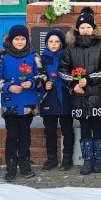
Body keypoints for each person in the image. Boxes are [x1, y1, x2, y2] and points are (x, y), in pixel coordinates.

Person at [58, 7, 101, 175]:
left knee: (97, 126)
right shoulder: (70, 48)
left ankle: (99, 160)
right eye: (82, 27)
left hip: (97, 93)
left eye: (88, 27)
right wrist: (73, 84)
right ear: (77, 29)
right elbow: (62, 69)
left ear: (93, 28)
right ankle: (87, 160)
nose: (85, 30)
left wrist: (89, 79)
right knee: (84, 127)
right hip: (78, 95)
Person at [0, 25, 46, 182]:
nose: (20, 42)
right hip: (10, 103)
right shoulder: (2, 57)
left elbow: (43, 75)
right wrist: (7, 87)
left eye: (23, 39)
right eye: (17, 39)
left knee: (25, 135)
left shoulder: (34, 56)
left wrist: (32, 82)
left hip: (28, 103)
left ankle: (25, 164)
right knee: (12, 135)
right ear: (11, 40)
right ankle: (11, 166)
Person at [39, 29, 75, 171]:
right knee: (50, 131)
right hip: (49, 100)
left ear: (61, 43)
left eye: (57, 41)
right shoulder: (41, 59)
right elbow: (37, 78)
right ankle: (52, 159)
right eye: (50, 41)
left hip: (66, 99)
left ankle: (67, 159)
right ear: (46, 43)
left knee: (67, 130)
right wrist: (43, 87)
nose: (53, 44)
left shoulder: (67, 57)